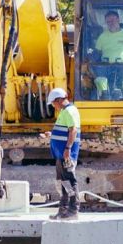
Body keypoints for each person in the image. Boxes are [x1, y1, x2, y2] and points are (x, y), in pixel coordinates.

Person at [46, 87, 80, 220]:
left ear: (59, 100)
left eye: (54, 103)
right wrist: (52, 134)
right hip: (60, 154)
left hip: (65, 154)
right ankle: (63, 210)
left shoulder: (70, 111)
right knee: (62, 182)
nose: (54, 106)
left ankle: (73, 210)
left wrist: (68, 149)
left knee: (70, 181)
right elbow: (65, 130)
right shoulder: (64, 111)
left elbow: (73, 131)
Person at [93, 10, 123, 99]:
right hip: (106, 65)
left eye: (113, 20)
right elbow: (97, 53)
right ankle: (104, 94)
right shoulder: (102, 36)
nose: (111, 23)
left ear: (118, 20)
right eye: (108, 21)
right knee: (98, 69)